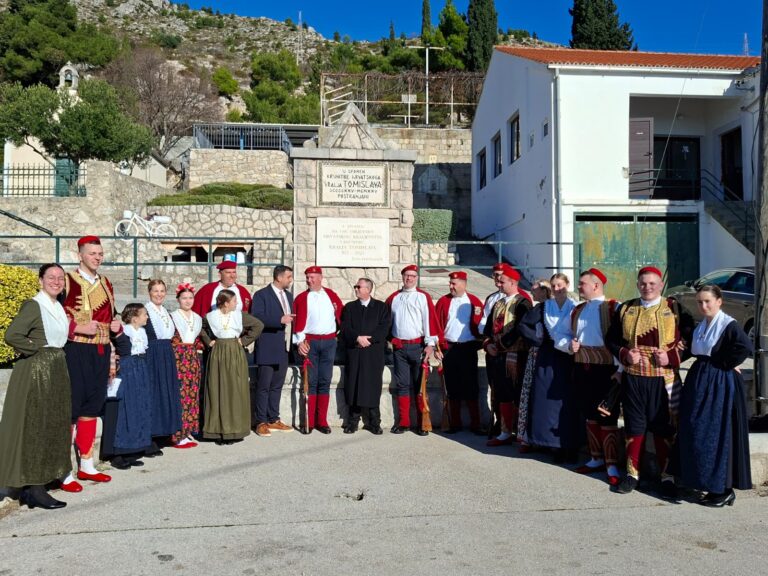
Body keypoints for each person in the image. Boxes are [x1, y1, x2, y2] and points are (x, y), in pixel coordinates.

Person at [606, 266, 693, 496]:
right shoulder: (626, 308)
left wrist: (672, 356)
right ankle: (632, 475)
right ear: (637, 284)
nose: (648, 288)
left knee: (664, 428)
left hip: (663, 380)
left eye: (652, 283)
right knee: (634, 427)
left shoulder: (674, 308)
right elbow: (611, 339)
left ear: (661, 285)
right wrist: (625, 354)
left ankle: (667, 477)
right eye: (643, 283)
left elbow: (692, 338)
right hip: (634, 379)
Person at [0, 264, 72, 510]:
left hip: (55, 368)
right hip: (37, 371)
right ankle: (33, 488)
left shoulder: (57, 306)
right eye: (51, 277)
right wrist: (35, 349)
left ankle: (43, 478)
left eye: (60, 278)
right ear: (41, 280)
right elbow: (12, 335)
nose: (56, 281)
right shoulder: (34, 305)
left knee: (51, 423)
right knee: (35, 425)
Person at [676, 285, 753, 507]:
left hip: (718, 384)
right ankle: (703, 482)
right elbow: (692, 349)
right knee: (697, 430)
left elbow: (744, 347)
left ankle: (723, 489)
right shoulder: (702, 326)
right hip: (700, 381)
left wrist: (724, 364)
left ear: (719, 301)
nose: (703, 306)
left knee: (716, 433)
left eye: (708, 301)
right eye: (700, 302)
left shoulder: (728, 325)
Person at [62, 235, 122, 491]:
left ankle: (86, 463)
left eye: (99, 253)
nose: (97, 257)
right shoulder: (66, 280)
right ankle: (63, 469)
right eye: (92, 253)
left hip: (100, 350)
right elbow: (55, 314)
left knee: (92, 407)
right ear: (80, 256)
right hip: (75, 349)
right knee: (71, 410)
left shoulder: (106, 282)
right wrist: (76, 326)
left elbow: (112, 314)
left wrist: (117, 326)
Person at [519, 273, 579, 461]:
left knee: (567, 402)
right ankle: (549, 443)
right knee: (546, 401)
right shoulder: (545, 307)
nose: (557, 289)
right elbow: (524, 325)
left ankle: (569, 444)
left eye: (560, 285)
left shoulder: (575, 307)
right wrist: (538, 340)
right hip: (548, 356)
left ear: (567, 285)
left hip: (569, 357)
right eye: (554, 286)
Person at [571, 269, 622, 486]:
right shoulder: (579, 309)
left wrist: (620, 370)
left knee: (606, 414)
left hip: (606, 368)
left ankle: (611, 463)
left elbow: (622, 339)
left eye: (582, 283)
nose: (579, 286)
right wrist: (569, 345)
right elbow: (568, 335)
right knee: (589, 413)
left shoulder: (613, 307)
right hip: (583, 366)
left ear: (596, 285)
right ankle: (595, 458)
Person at [201, 290, 264, 444]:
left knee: (235, 389)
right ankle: (217, 431)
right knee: (217, 389)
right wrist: (208, 341)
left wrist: (244, 341)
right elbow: (199, 328)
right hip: (218, 353)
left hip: (235, 352)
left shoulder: (239, 315)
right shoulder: (210, 317)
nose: (237, 303)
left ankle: (234, 430)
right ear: (226, 303)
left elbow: (258, 325)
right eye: (234, 301)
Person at [385, 265, 441, 436]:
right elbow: (387, 322)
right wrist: (391, 339)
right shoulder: (393, 298)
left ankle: (421, 423)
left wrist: (430, 345)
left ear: (416, 278)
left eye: (412, 276)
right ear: (402, 277)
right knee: (402, 385)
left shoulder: (423, 297)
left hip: (418, 347)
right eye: (406, 275)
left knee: (419, 386)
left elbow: (429, 321)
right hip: (399, 348)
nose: (409, 278)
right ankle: (404, 422)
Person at [482, 264, 532, 447]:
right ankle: (504, 431)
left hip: (516, 356)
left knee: (518, 393)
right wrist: (488, 345)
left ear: (512, 282)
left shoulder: (523, 303)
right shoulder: (498, 303)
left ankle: (521, 432)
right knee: (502, 393)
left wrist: (502, 344)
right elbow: (488, 329)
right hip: (498, 355)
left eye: (502, 281)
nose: (499, 284)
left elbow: (521, 328)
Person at [292, 266, 343, 434]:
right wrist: (300, 342)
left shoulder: (331, 295)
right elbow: (297, 323)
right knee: (311, 382)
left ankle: (322, 420)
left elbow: (341, 316)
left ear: (321, 277)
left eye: (313, 277)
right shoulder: (301, 298)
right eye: (307, 277)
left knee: (325, 381)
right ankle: (310, 421)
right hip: (310, 343)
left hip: (329, 342)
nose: (309, 280)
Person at [339, 278, 392, 435]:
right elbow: (345, 327)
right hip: (355, 352)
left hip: (373, 353)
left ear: (368, 289)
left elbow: (385, 327)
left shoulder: (381, 308)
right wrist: (357, 338)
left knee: (372, 386)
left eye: (359, 287)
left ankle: (374, 422)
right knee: (353, 385)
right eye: (355, 286)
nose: (355, 289)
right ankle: (352, 421)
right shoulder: (349, 308)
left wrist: (369, 339)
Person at [435, 271, 484, 434]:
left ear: (464, 284)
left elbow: (481, 325)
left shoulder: (474, 302)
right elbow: (436, 325)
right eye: (450, 283)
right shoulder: (443, 301)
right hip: (449, 348)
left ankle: (475, 424)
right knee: (452, 386)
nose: (451, 286)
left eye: (454, 283)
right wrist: (437, 347)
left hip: (468, 348)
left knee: (471, 386)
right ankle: (454, 423)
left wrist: (479, 343)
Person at [106, 304, 153, 470]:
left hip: (140, 366)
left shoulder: (141, 331)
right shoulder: (125, 331)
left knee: (138, 407)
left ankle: (133, 448)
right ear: (134, 318)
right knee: (126, 407)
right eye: (144, 314)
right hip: (128, 368)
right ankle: (119, 451)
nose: (147, 317)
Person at [250, 265, 295, 437]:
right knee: (264, 386)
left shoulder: (289, 296)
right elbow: (257, 317)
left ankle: (273, 418)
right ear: (279, 277)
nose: (290, 280)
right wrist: (279, 319)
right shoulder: (261, 295)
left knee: (277, 385)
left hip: (284, 348)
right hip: (267, 347)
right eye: (288, 277)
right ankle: (260, 421)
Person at [145, 279, 183, 452]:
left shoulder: (165, 311)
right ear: (149, 292)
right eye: (155, 291)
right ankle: (152, 436)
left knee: (167, 391)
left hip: (166, 353)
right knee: (155, 393)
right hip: (153, 354)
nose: (159, 294)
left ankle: (165, 432)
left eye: (162, 291)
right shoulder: (145, 311)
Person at [517, 278, 552, 447]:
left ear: (545, 291)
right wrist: (538, 341)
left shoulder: (550, 307)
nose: (532, 293)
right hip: (538, 354)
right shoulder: (538, 308)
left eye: (535, 290)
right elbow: (523, 326)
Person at [170, 283, 204, 448]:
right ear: (178, 300)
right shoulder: (173, 316)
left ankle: (189, 429)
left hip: (192, 357)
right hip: (179, 356)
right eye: (184, 298)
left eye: (190, 298)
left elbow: (197, 339)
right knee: (181, 394)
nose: (188, 301)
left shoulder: (197, 318)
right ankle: (178, 433)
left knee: (192, 394)